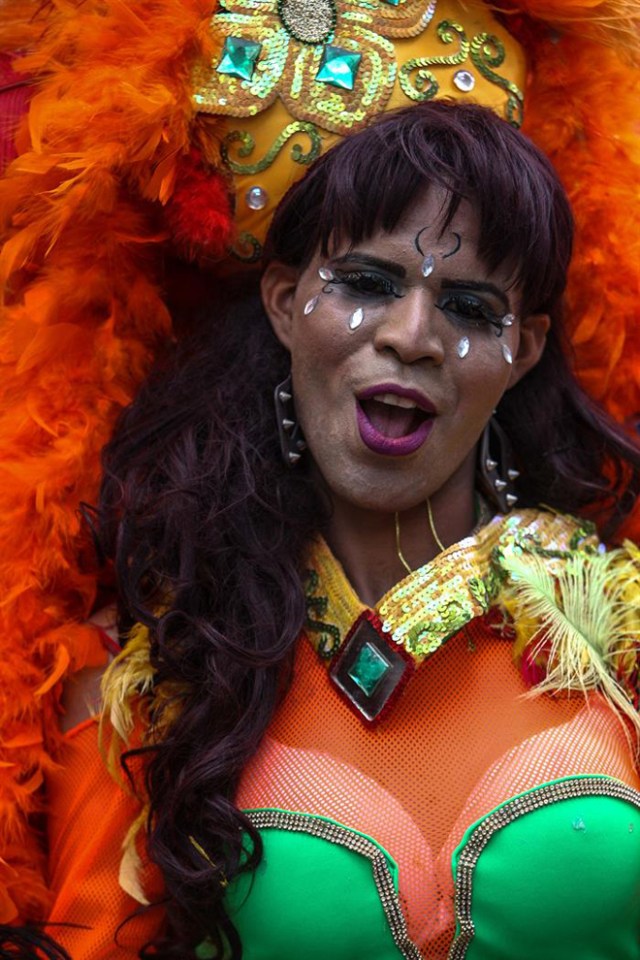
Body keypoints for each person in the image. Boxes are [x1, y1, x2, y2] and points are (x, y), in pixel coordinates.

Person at [37, 100, 640, 960]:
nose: (411, 336)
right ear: (284, 302)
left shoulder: (618, 638)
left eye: (469, 307)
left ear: (527, 350)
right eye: (366, 283)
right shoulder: (144, 677)